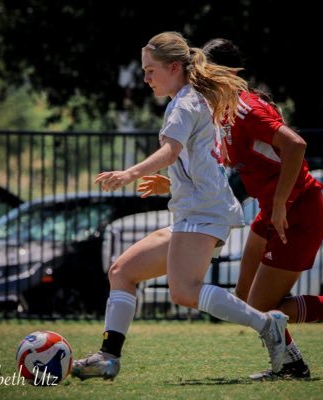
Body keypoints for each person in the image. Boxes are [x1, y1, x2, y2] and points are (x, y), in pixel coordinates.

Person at [71, 31, 288, 382]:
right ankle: (108, 357)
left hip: (204, 214)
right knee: (122, 272)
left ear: (174, 67)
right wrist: (172, 183)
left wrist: (131, 172)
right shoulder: (188, 100)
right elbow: (199, 163)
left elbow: (170, 151)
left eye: (150, 70)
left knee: (184, 291)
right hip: (197, 211)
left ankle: (267, 323)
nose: (145, 78)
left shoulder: (186, 102)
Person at [137, 38, 323, 381]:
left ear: (227, 73)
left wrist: (280, 204)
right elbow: (216, 174)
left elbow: (296, 145)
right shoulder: (216, 111)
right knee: (244, 300)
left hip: (298, 212)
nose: (198, 77)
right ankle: (290, 361)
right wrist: (171, 185)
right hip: (271, 213)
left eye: (204, 69)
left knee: (264, 308)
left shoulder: (246, 108)